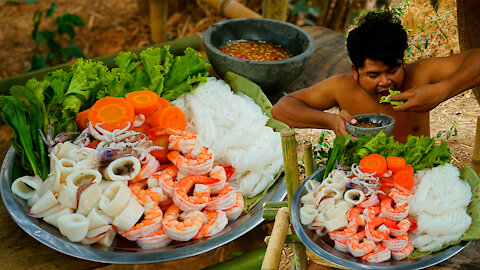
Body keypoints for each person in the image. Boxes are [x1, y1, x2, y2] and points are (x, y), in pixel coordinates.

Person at [271, 11, 480, 143]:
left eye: (392, 70)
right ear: (355, 71)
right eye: (372, 75)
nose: (385, 82)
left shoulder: (421, 74)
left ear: (403, 62)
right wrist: (331, 121)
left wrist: (442, 90)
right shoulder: (339, 88)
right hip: (364, 182)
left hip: (416, 178)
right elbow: (281, 109)